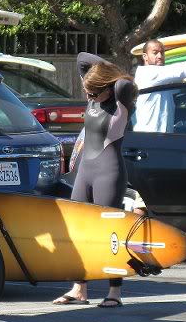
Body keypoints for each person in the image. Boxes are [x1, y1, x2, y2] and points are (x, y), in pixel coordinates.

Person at [52, 52, 137, 308]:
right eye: (87, 93)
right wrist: (94, 78)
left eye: (93, 94)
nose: (88, 98)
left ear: (108, 89)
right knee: (78, 230)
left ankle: (115, 291)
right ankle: (79, 289)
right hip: (85, 171)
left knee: (109, 234)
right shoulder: (94, 95)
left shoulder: (121, 96)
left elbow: (124, 81)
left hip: (108, 172)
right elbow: (80, 58)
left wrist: (109, 74)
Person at [133, 40, 186, 133]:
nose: (160, 56)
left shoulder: (163, 78)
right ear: (145, 57)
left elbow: (185, 78)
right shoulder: (147, 73)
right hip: (147, 137)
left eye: (162, 53)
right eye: (155, 53)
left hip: (163, 137)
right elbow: (181, 70)